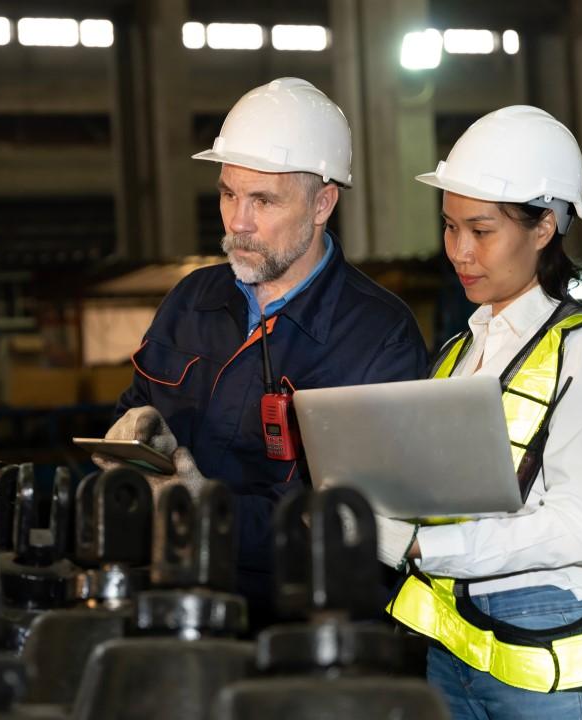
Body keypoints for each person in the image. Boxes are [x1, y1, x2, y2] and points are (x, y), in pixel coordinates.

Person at [100, 78, 427, 624]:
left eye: (263, 200)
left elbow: (353, 524)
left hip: (295, 626)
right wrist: (134, 437)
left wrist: (208, 509)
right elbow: (136, 405)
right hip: (170, 600)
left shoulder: (378, 337)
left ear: (323, 202)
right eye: (229, 193)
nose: (237, 222)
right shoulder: (192, 300)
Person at [378, 106, 582, 719]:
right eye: (450, 228)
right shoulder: (456, 354)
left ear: (545, 226)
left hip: (549, 660)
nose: (459, 252)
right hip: (452, 652)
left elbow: (575, 528)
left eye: (482, 230)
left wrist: (419, 547)